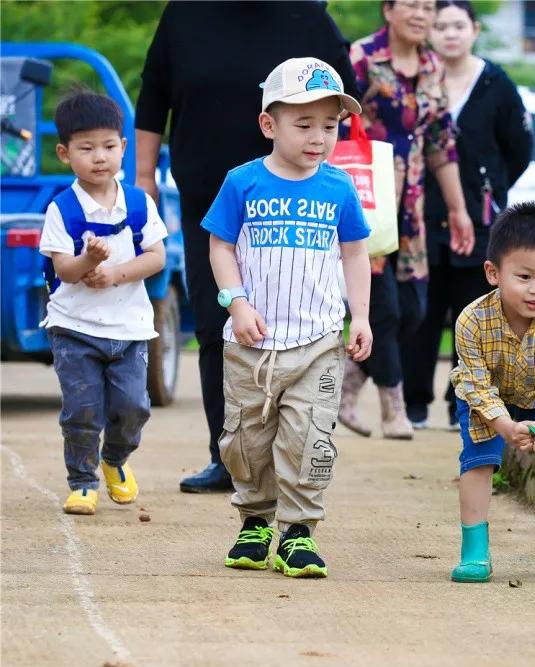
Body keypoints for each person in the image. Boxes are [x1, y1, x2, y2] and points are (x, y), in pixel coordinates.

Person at [135, 1, 361, 493]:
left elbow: (344, 104)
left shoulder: (308, 17)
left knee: (302, 329)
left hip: (299, 207)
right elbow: (153, 98)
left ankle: (295, 456)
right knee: (221, 326)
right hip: (211, 205)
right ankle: (229, 459)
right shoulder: (185, 14)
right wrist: (143, 177)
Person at [202, 59, 372, 579]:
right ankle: (255, 520)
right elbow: (220, 245)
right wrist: (236, 301)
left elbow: (355, 254)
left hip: (319, 340)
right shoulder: (242, 182)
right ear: (269, 125)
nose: (318, 137)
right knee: (246, 438)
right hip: (252, 342)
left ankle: (298, 534)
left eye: (330, 125)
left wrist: (359, 316)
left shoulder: (339, 188)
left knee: (309, 437)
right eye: (304, 124)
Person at [339, 0, 475, 441]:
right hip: (366, 201)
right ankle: (393, 408)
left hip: (411, 207)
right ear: (388, 10)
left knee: (415, 308)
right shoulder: (360, 57)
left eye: (428, 7)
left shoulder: (432, 64)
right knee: (386, 309)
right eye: (411, 5)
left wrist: (458, 209)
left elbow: (440, 142)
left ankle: (344, 389)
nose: (421, 14)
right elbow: (335, 127)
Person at [402, 0, 532, 430]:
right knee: (420, 312)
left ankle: (462, 404)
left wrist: (487, 189)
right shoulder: (418, 77)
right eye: (440, 26)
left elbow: (518, 150)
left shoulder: (496, 83)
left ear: (474, 30)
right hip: (420, 216)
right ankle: (413, 402)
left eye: (459, 25)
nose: (450, 34)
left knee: (471, 315)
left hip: (478, 221)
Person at [448, 201, 535, 583]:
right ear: (494, 273)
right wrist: (505, 425)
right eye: (525, 276)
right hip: (487, 400)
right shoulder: (471, 321)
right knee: (477, 460)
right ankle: (475, 549)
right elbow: (476, 387)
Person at [39, 90, 168, 515]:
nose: (100, 157)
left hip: (129, 328)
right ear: (64, 153)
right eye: (86, 148)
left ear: (123, 148)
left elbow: (156, 256)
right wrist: (87, 260)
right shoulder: (62, 209)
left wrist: (113, 273)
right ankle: (81, 481)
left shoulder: (138, 203)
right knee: (82, 409)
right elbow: (63, 270)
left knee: (134, 407)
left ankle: (114, 460)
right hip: (75, 326)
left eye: (109, 147)